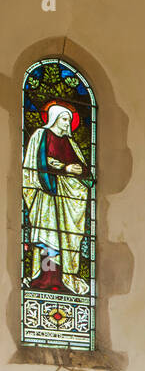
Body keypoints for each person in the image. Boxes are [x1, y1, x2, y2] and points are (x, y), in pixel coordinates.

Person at [22, 104, 92, 296]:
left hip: (68, 198)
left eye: (69, 119)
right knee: (49, 236)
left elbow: (86, 172)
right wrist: (64, 168)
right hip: (47, 195)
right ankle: (45, 278)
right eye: (63, 119)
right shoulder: (41, 136)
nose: (67, 123)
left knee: (66, 238)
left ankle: (66, 277)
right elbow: (36, 164)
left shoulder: (71, 143)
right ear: (53, 119)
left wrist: (77, 170)